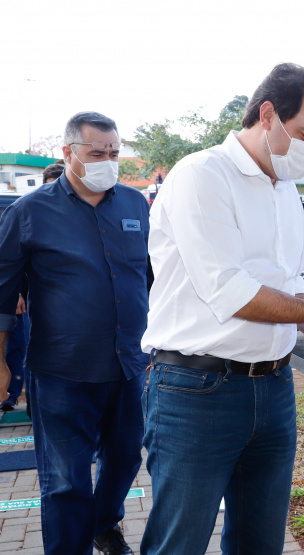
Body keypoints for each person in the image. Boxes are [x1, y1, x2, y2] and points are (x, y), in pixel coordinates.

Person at [140, 63, 304, 554]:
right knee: (180, 542)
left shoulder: (283, 190)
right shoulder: (202, 176)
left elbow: (286, 280)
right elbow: (232, 292)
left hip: (273, 388)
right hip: (198, 389)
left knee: (260, 540)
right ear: (268, 115)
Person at [0, 111, 152, 555]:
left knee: (125, 460)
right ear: (68, 153)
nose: (109, 160)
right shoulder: (30, 212)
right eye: (97, 152)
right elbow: (3, 296)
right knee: (65, 482)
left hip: (128, 366)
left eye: (114, 152)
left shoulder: (133, 203)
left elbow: (151, 277)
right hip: (63, 372)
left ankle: (105, 524)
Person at [0, 166, 61, 413]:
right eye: (49, 185)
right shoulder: (27, 213)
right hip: (24, 299)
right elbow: (13, 263)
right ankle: (13, 396)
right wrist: (16, 293)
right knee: (19, 347)